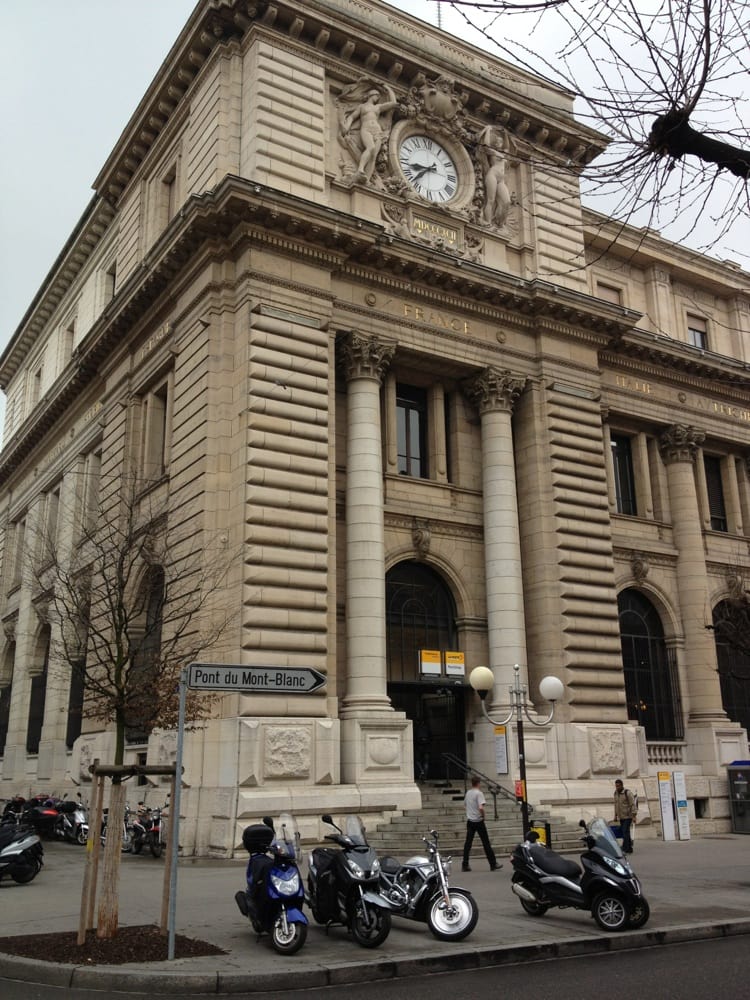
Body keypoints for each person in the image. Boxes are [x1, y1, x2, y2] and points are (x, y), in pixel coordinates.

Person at [462, 775, 501, 872]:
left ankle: (465, 864)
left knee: (468, 843)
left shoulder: (468, 793)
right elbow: (481, 807)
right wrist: (484, 815)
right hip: (478, 821)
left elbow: (465, 805)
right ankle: (493, 863)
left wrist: (470, 812)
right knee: (486, 843)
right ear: (478, 783)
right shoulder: (479, 793)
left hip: (470, 821)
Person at [613, 779, 638, 853]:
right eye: (616, 786)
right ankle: (629, 848)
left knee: (625, 832)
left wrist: (634, 816)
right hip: (621, 817)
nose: (617, 787)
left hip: (628, 816)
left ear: (621, 785)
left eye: (618, 786)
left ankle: (625, 848)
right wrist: (615, 815)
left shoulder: (627, 793)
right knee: (626, 832)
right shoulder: (615, 793)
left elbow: (632, 804)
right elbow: (616, 805)